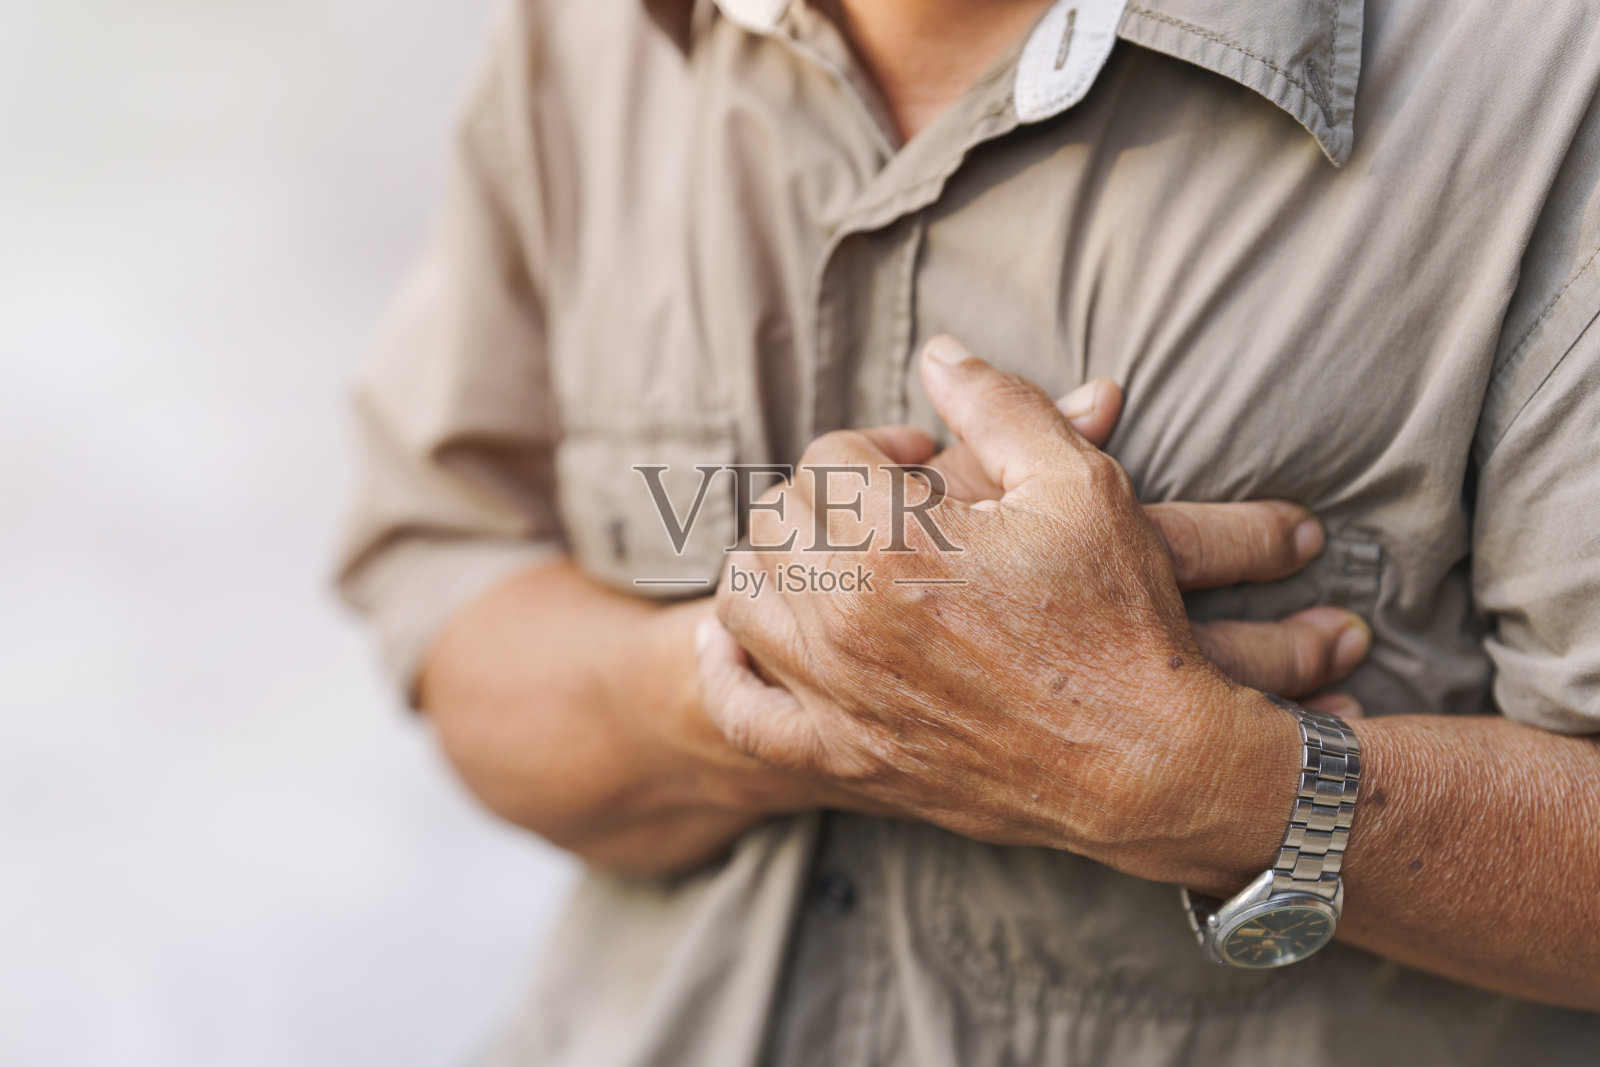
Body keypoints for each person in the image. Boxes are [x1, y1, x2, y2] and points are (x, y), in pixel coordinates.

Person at [336, 0, 1600, 1062]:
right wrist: (793, 679)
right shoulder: (591, 33)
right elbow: (457, 599)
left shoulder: (1540, 77)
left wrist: (1214, 783)